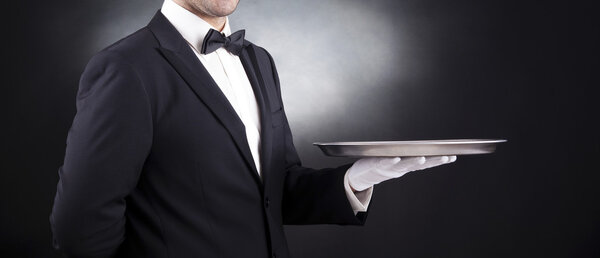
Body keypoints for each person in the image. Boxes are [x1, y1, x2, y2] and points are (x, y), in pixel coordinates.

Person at [50, 0, 456, 257]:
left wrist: (354, 180)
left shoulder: (259, 60)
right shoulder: (125, 68)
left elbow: (273, 192)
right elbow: (79, 224)